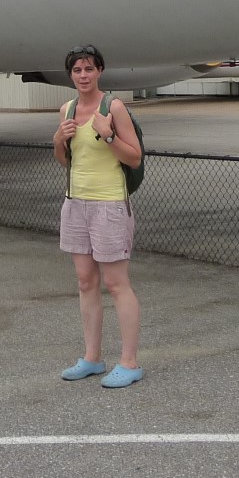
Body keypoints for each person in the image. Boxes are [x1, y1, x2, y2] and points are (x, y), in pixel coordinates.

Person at [52, 44, 143, 388]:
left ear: (100, 71)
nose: (83, 75)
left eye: (89, 69)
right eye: (77, 70)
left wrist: (108, 135)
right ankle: (92, 358)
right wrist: (58, 140)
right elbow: (66, 161)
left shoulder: (113, 107)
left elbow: (134, 157)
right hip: (76, 203)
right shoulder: (67, 109)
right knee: (85, 282)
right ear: (70, 75)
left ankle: (129, 362)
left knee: (116, 283)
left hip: (109, 204)